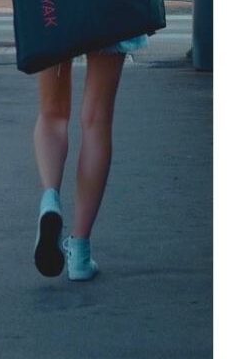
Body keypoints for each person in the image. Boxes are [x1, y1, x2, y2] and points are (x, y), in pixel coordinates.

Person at [32, 32, 145, 282]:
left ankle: (50, 201)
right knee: (97, 120)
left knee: (53, 112)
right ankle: (80, 254)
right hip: (110, 1)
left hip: (52, 3)